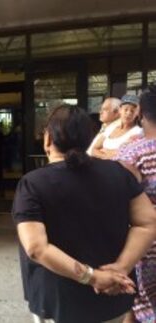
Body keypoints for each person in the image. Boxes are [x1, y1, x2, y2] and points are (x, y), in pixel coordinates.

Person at [13, 106, 156, 323]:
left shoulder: (33, 183)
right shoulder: (118, 173)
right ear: (89, 139)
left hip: (59, 301)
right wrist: (121, 268)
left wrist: (93, 277)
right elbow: (148, 223)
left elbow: (36, 248)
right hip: (113, 298)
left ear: (48, 138)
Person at [115, 86, 156, 323]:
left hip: (147, 241)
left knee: (143, 299)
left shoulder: (132, 151)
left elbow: (121, 198)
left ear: (140, 112)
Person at [91, 95, 142, 159]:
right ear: (120, 110)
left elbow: (125, 154)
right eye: (126, 109)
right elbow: (93, 149)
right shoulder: (111, 128)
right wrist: (108, 155)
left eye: (132, 111)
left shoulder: (138, 132)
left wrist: (104, 151)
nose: (128, 113)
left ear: (137, 113)